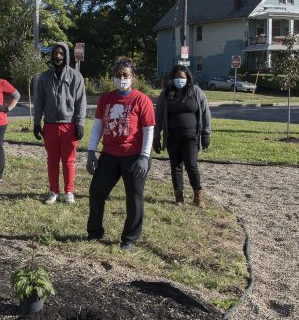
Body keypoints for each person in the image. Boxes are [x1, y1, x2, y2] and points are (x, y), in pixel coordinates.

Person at [86, 57, 155, 251]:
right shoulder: (106, 99)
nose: (121, 78)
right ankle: (94, 231)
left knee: (134, 197)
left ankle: (130, 238)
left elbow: (149, 129)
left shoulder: (142, 100)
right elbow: (98, 126)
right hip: (109, 155)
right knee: (96, 192)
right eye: (118, 75)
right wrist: (91, 152)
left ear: (133, 77)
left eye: (125, 75)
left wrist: (144, 157)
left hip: (133, 156)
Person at [33, 41, 86, 204]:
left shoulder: (76, 76)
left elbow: (80, 101)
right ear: (51, 55)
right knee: (52, 160)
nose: (58, 56)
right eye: (55, 53)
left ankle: (69, 191)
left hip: (69, 125)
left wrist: (80, 123)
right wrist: (36, 123)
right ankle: (53, 191)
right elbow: (39, 101)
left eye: (61, 54)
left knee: (69, 161)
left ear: (66, 56)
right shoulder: (44, 77)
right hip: (49, 125)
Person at [153, 64, 212, 207]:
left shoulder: (196, 92)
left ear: (188, 78)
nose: (179, 80)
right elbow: (159, 116)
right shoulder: (165, 95)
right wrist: (156, 136)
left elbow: (205, 113)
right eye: (176, 77)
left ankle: (198, 196)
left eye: (182, 77)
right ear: (172, 79)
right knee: (176, 167)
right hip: (172, 137)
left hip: (191, 137)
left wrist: (206, 133)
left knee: (191, 165)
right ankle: (179, 197)